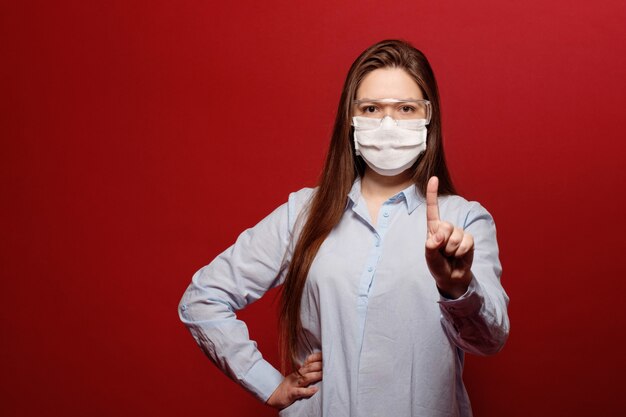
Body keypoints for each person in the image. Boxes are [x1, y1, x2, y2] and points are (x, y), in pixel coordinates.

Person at [178, 39, 510, 417]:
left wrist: (456, 287)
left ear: (428, 117)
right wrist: (266, 382)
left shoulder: (464, 221)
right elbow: (203, 299)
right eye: (371, 108)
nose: (388, 124)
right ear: (351, 118)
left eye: (405, 108)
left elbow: (489, 340)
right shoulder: (303, 214)